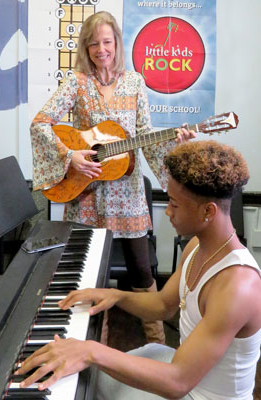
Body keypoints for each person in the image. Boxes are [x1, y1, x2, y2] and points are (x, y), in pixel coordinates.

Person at [17, 140, 261, 399]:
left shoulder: (239, 286)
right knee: (84, 377)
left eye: (174, 204)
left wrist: (91, 350)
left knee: (89, 371)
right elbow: (162, 305)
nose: (167, 211)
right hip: (183, 369)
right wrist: (116, 296)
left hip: (197, 391)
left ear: (208, 212)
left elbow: (178, 382)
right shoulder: (195, 247)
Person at [30, 10, 195, 344]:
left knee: (141, 271)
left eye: (106, 42)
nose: (100, 49)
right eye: (93, 44)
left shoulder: (135, 82)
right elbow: (40, 123)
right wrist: (70, 156)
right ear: (86, 48)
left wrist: (174, 148)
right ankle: (92, 351)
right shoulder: (76, 83)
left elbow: (146, 136)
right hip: (87, 195)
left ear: (117, 43)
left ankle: (158, 347)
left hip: (129, 195)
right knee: (91, 274)